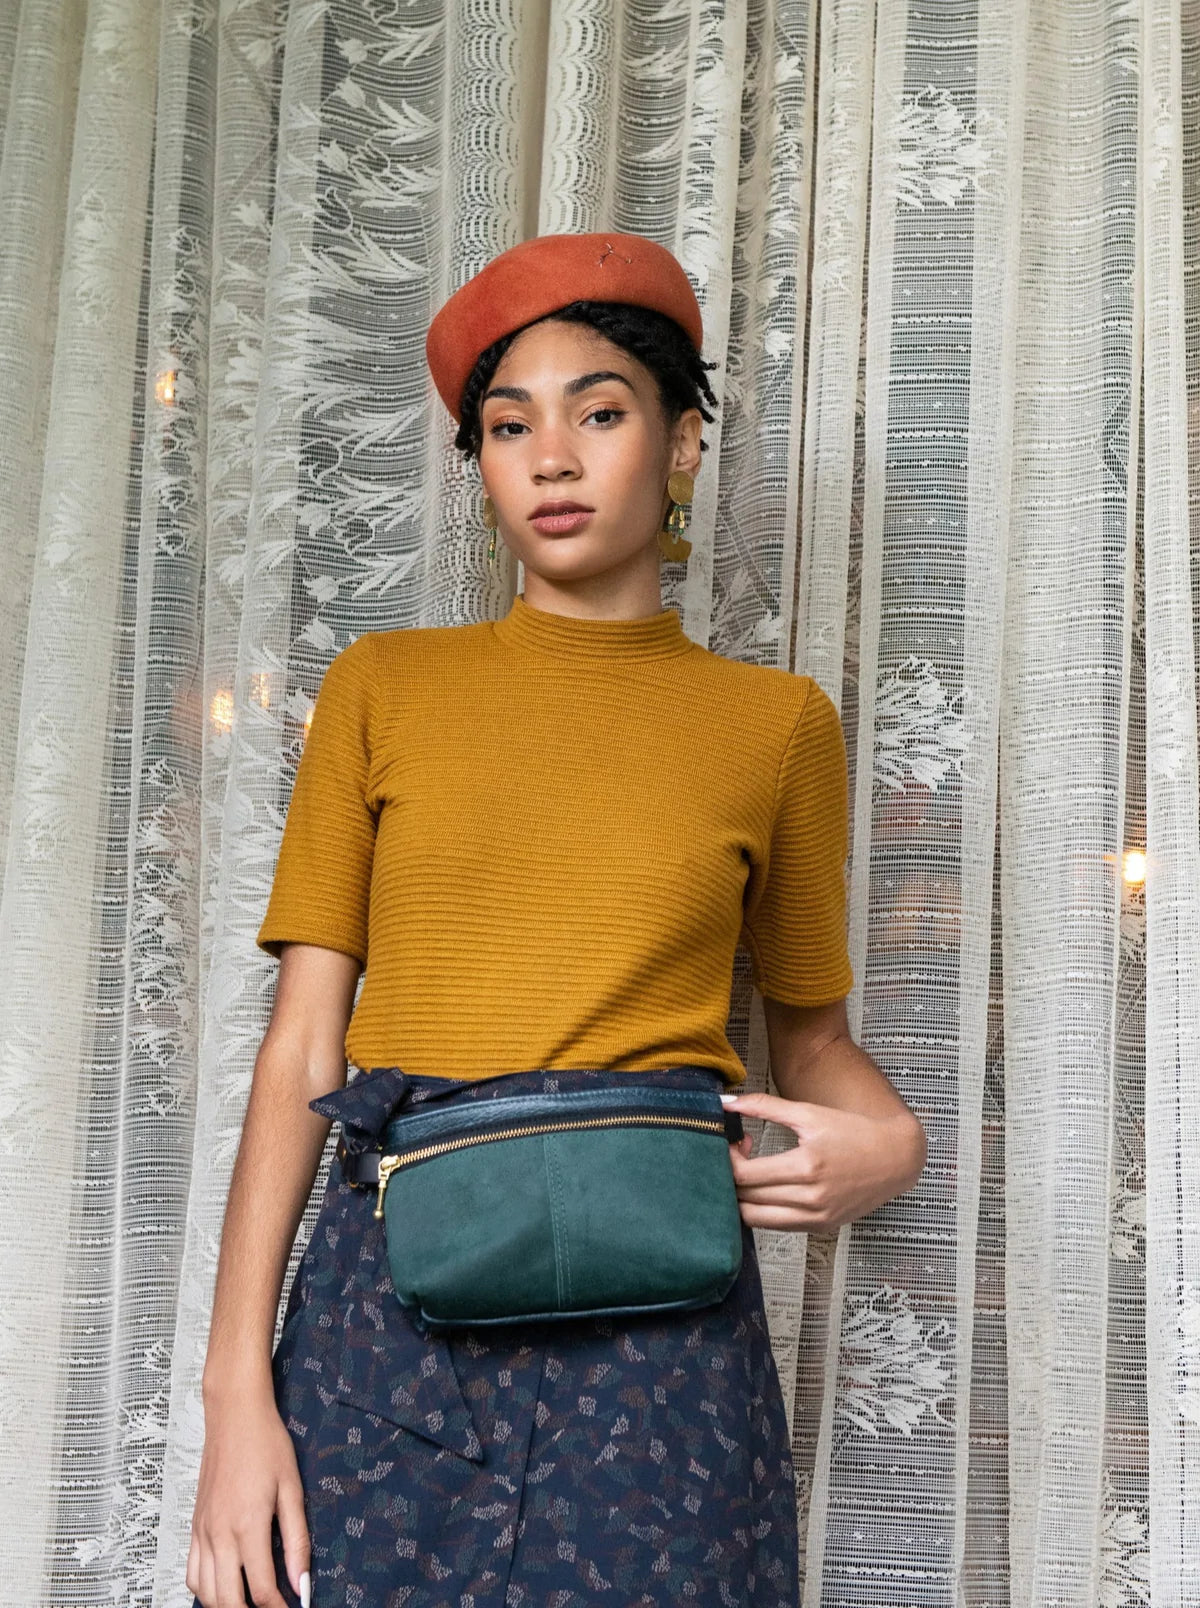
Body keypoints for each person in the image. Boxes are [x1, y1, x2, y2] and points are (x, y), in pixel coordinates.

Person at [186, 231, 926, 1608]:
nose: (553, 459)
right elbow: (302, 1050)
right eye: (510, 426)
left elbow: (812, 1042)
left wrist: (893, 1145)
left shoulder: (776, 726)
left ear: (683, 443)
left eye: (600, 413)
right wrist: (237, 1397)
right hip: (388, 1311)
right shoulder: (383, 688)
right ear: (480, 465)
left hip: (663, 1339)